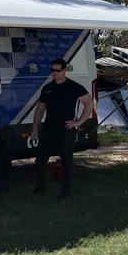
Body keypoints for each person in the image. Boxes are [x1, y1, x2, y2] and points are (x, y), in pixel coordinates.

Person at [29, 58, 94, 199]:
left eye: (57, 70)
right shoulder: (47, 88)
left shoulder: (74, 87)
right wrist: (34, 129)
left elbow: (89, 103)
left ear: (65, 70)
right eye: (52, 70)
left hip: (66, 130)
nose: (54, 73)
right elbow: (40, 110)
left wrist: (79, 121)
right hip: (48, 129)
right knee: (40, 160)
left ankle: (66, 192)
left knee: (66, 161)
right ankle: (39, 189)